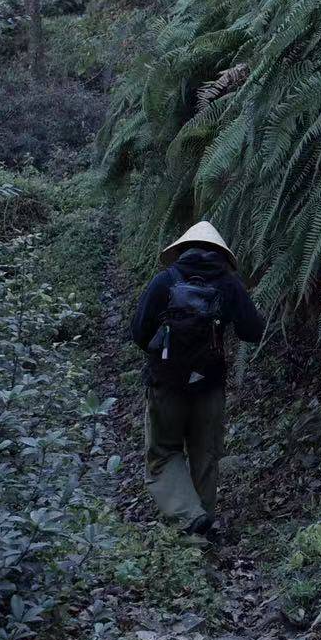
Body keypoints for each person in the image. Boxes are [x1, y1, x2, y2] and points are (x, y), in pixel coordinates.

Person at [129, 221, 265, 535]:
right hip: (210, 384)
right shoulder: (228, 284)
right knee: (205, 457)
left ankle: (190, 518)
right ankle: (200, 536)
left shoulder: (165, 281)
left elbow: (138, 332)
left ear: (182, 250)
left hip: (166, 385)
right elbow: (253, 331)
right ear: (220, 253)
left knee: (163, 454)